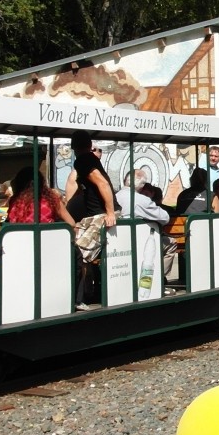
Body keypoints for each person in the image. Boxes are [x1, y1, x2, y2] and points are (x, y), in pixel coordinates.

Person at [66, 130, 119, 311]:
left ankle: (79, 298)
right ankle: (88, 293)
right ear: (89, 145)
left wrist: (110, 213)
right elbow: (82, 192)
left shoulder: (83, 161)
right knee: (73, 248)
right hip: (94, 214)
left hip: (101, 214)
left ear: (73, 147)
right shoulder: (89, 160)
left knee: (79, 252)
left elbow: (102, 183)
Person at [117, 171, 178, 289]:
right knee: (171, 243)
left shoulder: (116, 196)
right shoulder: (141, 200)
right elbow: (165, 218)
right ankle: (157, 278)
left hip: (118, 242)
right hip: (139, 242)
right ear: (142, 185)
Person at [6, 167, 75, 225]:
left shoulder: (14, 202)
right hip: (48, 239)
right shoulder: (52, 200)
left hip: (20, 240)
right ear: (42, 183)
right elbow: (71, 223)